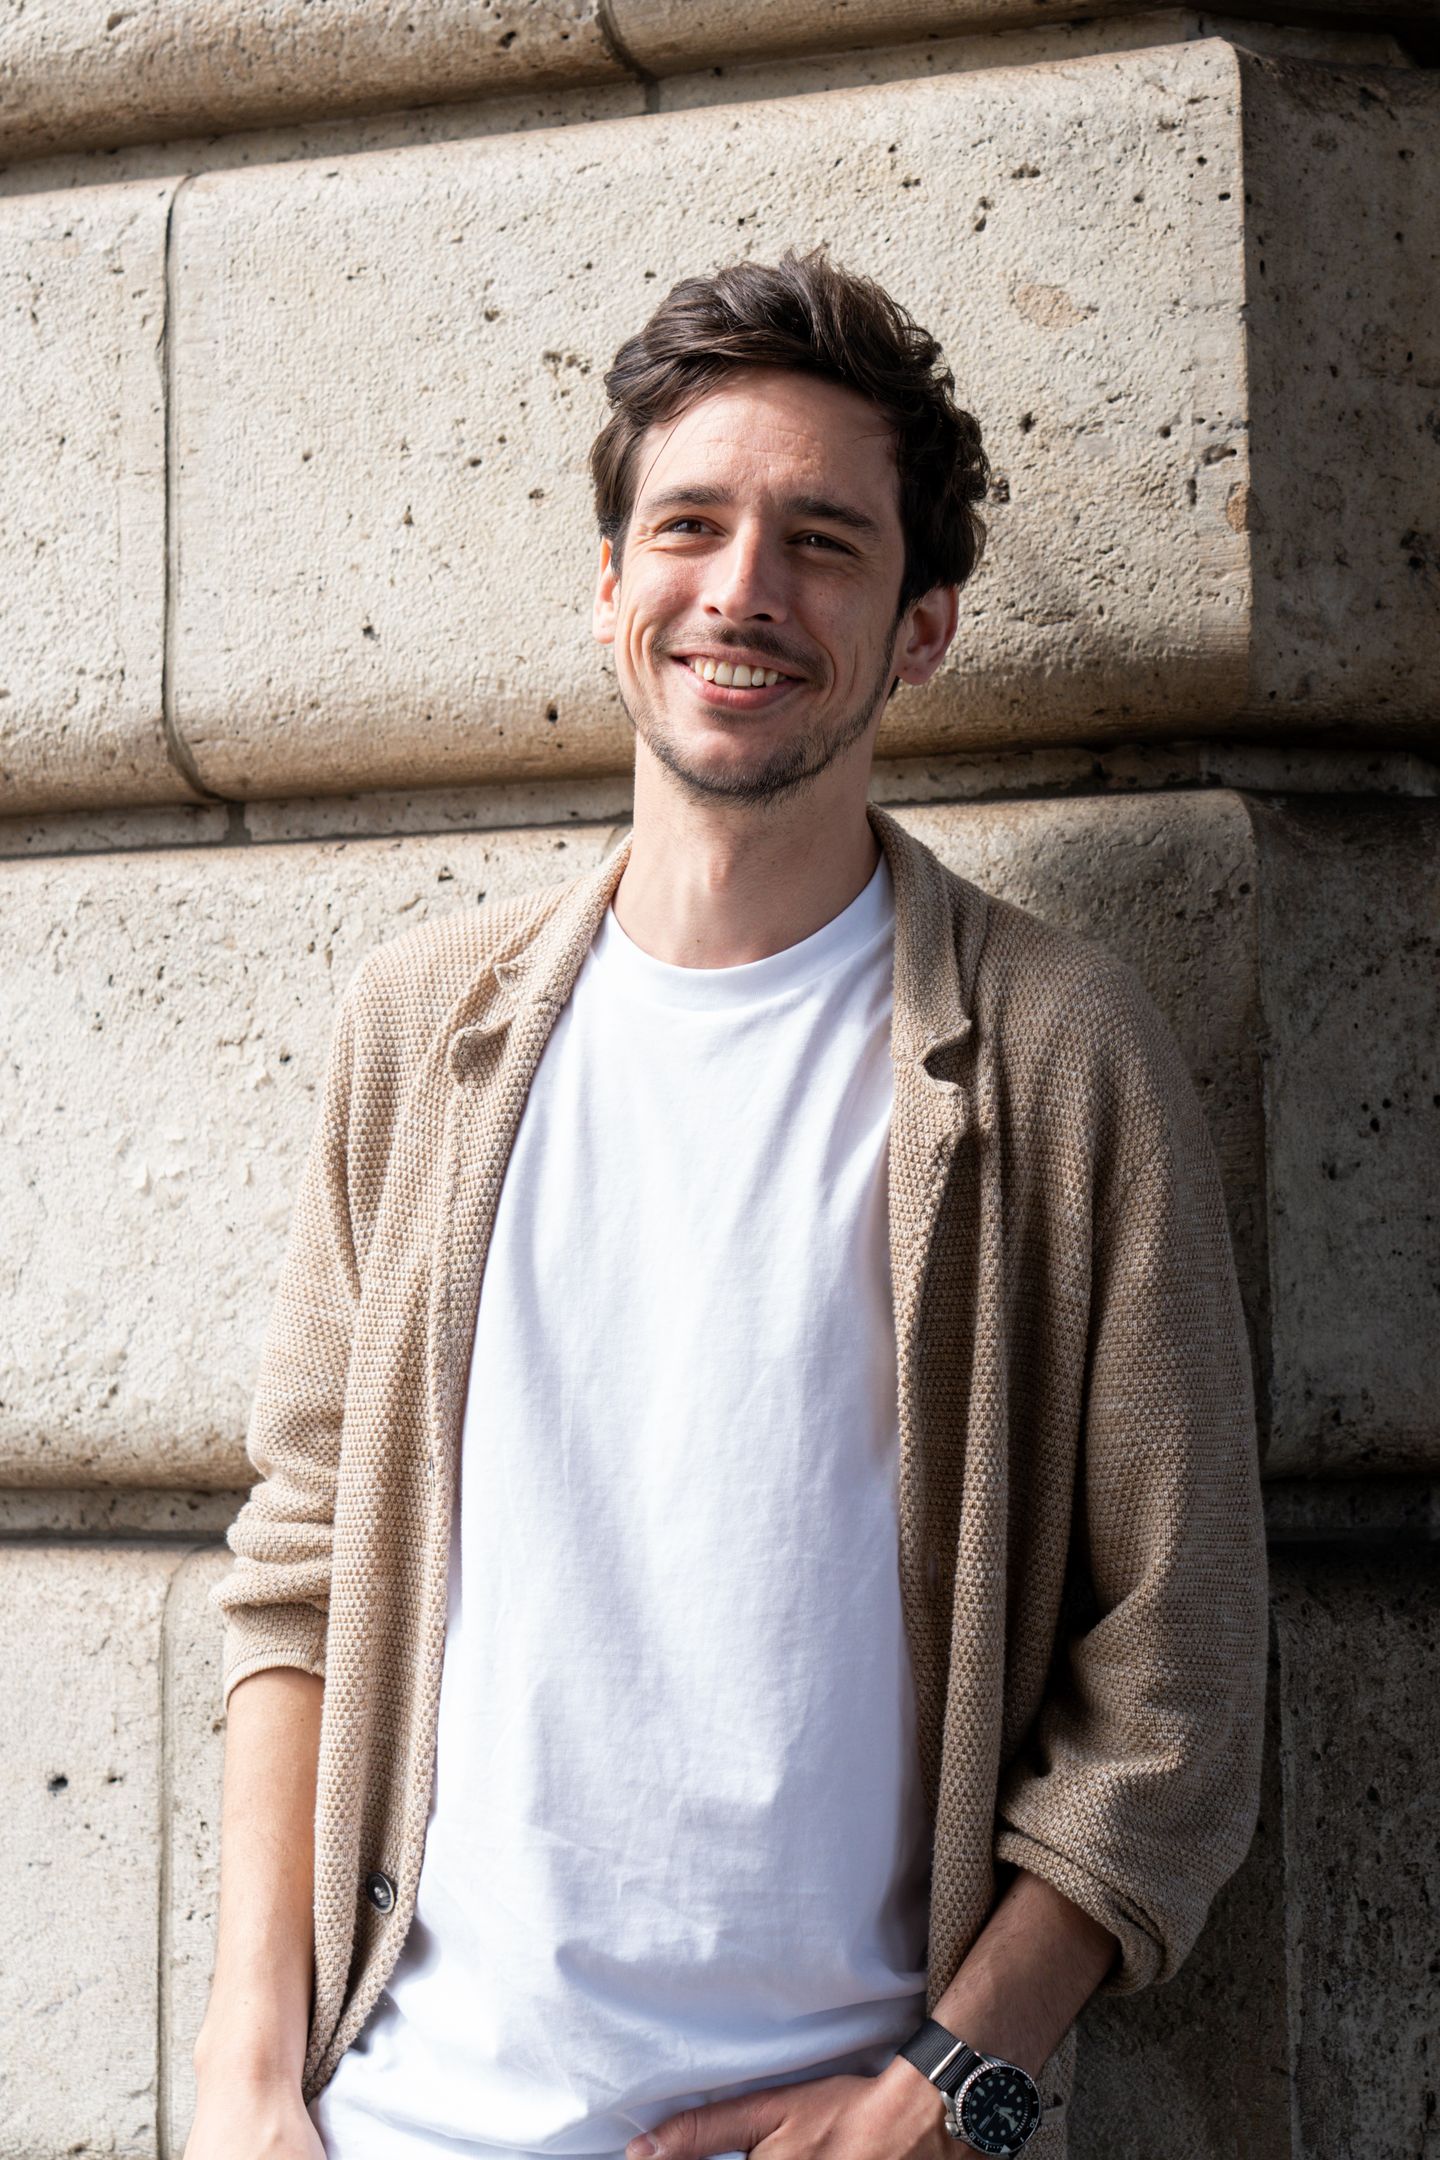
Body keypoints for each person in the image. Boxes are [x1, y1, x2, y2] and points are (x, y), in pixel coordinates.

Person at [185, 247, 1268, 2160]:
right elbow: (302, 1566)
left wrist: (950, 2091)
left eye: (822, 543)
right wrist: (245, 2076)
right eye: (689, 525)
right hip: (398, 2119)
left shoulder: (1052, 1056)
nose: (743, 588)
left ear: (922, 629)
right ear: (611, 586)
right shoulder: (420, 1033)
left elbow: (1176, 1680)